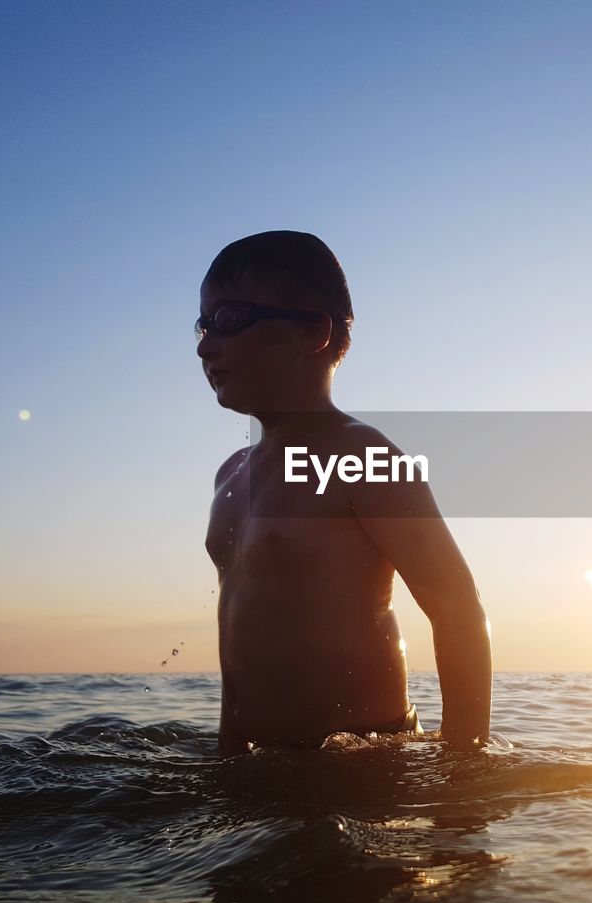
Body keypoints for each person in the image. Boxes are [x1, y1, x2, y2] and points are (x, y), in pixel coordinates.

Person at [196, 230, 492, 756]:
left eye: (229, 319)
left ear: (311, 332)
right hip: (263, 768)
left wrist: (463, 764)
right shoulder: (230, 475)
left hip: (363, 771)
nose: (205, 344)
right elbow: (236, 636)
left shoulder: (360, 457)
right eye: (202, 324)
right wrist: (228, 758)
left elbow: (456, 607)